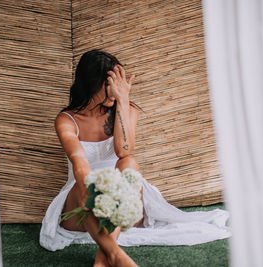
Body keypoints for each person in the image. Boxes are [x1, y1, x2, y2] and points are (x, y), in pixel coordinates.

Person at [39, 49, 231, 267]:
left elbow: (124, 149)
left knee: (129, 163)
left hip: (125, 199)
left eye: (119, 83)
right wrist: (90, 190)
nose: (115, 90)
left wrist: (122, 99)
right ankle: (114, 254)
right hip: (82, 201)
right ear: (91, 83)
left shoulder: (127, 108)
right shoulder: (66, 120)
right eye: (110, 84)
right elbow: (78, 161)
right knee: (85, 180)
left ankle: (106, 256)